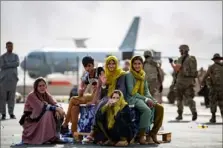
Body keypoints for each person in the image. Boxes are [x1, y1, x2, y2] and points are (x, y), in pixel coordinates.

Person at [83, 55, 127, 143]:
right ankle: (100, 136)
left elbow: (122, 89)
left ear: (116, 64)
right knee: (99, 105)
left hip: (118, 97)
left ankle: (93, 133)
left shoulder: (121, 74)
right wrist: (103, 85)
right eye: (109, 64)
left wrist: (114, 98)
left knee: (102, 106)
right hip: (107, 97)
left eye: (113, 64)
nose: (111, 66)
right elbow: (103, 90)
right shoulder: (105, 74)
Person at [61, 56, 104, 136]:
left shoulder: (99, 70)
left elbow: (99, 89)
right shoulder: (87, 76)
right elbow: (80, 94)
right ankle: (74, 133)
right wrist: (81, 88)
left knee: (73, 99)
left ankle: (65, 123)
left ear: (93, 64)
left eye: (89, 66)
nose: (88, 68)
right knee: (74, 107)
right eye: (85, 67)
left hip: (101, 96)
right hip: (92, 96)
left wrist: (93, 101)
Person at [126, 56, 164, 144]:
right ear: (132, 65)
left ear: (142, 65)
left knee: (159, 108)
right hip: (132, 98)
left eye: (139, 64)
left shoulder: (143, 74)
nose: (137, 66)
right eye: (135, 64)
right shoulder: (129, 75)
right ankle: (141, 136)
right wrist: (146, 99)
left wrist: (152, 99)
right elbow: (132, 92)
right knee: (146, 110)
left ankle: (153, 133)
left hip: (142, 98)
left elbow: (146, 91)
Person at [20, 77, 66, 144]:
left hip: (41, 119)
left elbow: (55, 103)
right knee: (49, 112)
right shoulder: (31, 95)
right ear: (36, 87)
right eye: (40, 86)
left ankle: (56, 136)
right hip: (31, 122)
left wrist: (57, 109)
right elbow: (41, 107)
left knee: (59, 112)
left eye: (43, 85)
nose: (42, 87)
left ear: (46, 86)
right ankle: (47, 137)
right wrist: (56, 108)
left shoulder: (46, 94)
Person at [169, 44, 198, 121]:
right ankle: (194, 111)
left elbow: (176, 69)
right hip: (190, 81)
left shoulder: (181, 59)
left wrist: (171, 63)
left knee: (179, 98)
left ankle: (180, 114)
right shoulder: (192, 59)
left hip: (181, 82)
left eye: (180, 50)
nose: (180, 51)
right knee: (189, 98)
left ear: (183, 50)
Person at [201, 53, 223, 123]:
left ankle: (213, 118)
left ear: (214, 60)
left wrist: (202, 82)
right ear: (219, 59)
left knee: (213, 102)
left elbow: (206, 75)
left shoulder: (212, 67)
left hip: (214, 88)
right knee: (222, 103)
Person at [0, 41, 19, 120]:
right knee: (2, 97)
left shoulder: (15, 56)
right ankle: (3, 113)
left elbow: (17, 63)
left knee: (12, 97)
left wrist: (8, 64)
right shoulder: (2, 57)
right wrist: (12, 64)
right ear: (6, 47)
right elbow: (2, 65)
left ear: (12, 47)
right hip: (4, 80)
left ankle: (11, 113)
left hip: (13, 79)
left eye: (11, 46)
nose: (10, 48)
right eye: (8, 46)